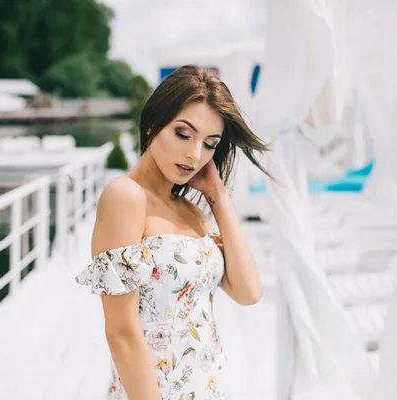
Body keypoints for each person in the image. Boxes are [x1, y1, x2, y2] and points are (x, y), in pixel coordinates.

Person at [76, 65, 273, 399]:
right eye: (184, 134)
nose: (195, 154)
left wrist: (218, 195)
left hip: (209, 388)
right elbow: (121, 332)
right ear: (153, 124)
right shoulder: (125, 197)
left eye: (210, 144)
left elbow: (249, 291)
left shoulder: (194, 212)